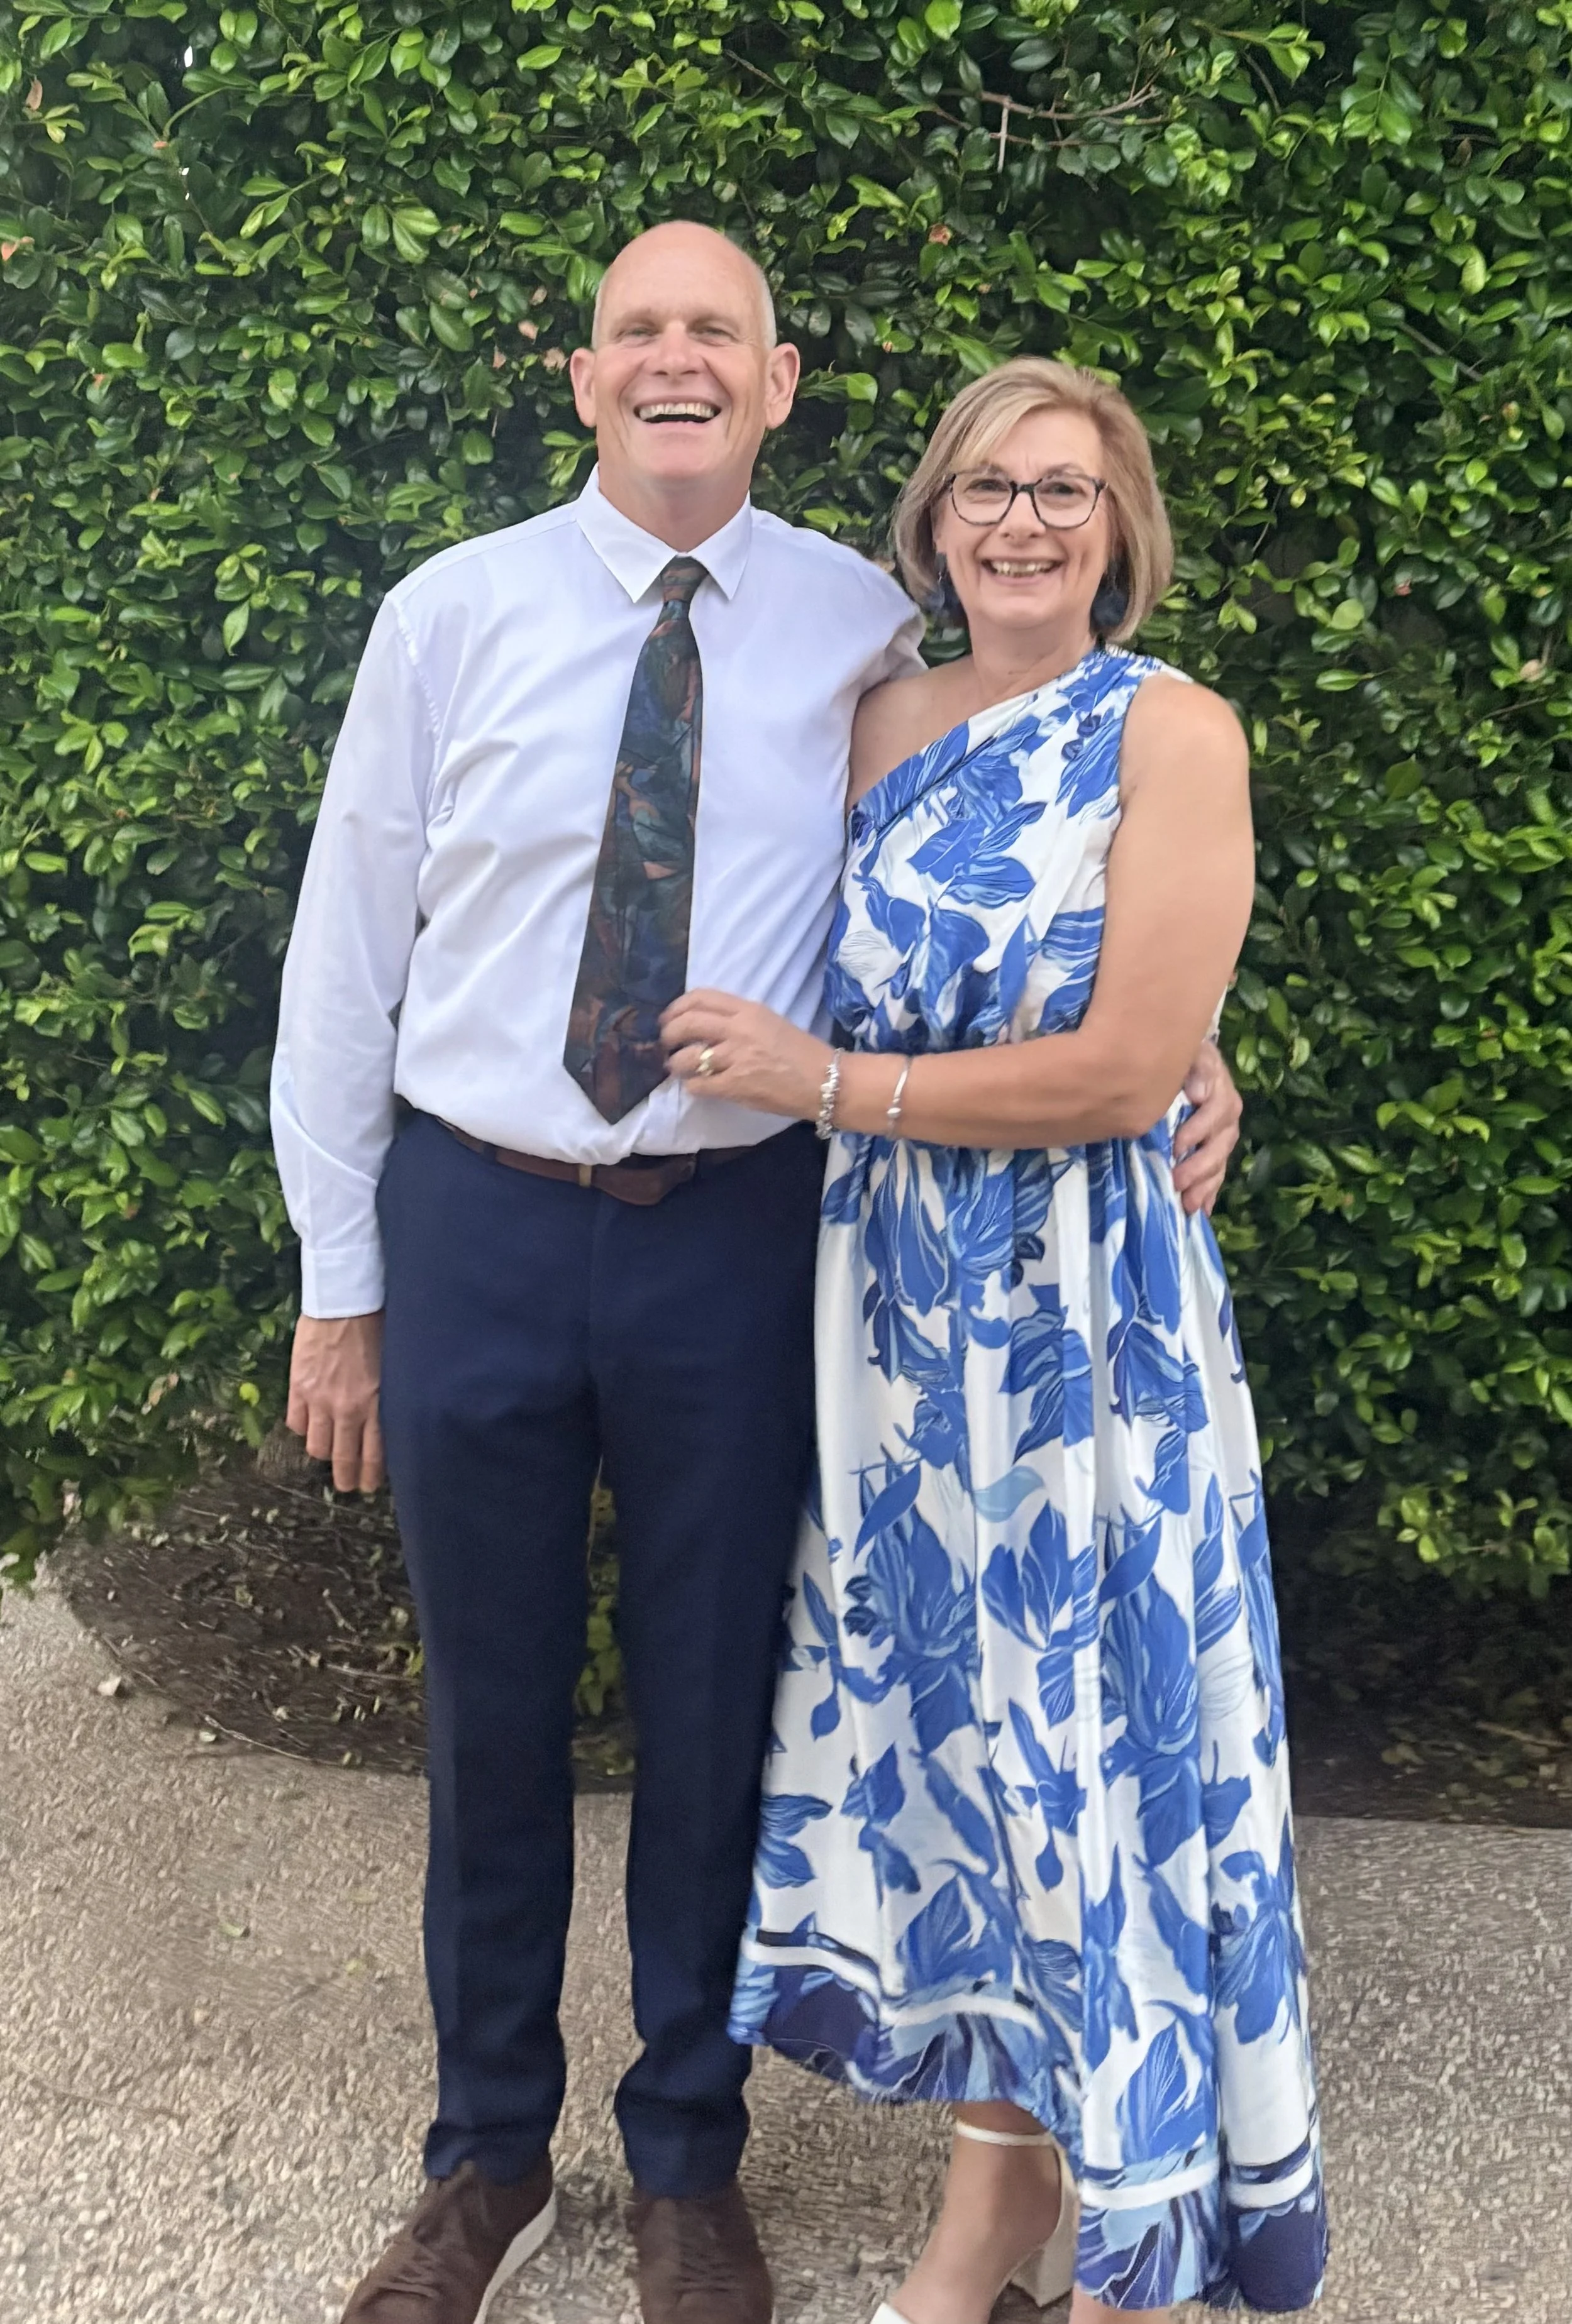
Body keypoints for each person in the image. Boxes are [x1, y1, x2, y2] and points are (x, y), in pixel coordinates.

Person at [271, 223, 1244, 2324]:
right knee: (491, 1710)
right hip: (482, 1216)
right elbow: (343, 966)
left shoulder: (860, 636)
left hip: (743, 1234)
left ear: (780, 382)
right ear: (584, 378)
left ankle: (687, 2155)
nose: (677, 362)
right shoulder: (448, 615)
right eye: (641, 333)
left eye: (715, 332)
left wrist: (1192, 1045)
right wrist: (337, 1287)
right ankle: (481, 2154)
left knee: (725, 1707)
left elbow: (1021, 842)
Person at [662, 356, 1327, 2323]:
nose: (1020, 522)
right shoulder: (876, 722)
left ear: (1118, 526)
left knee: (1093, 1754)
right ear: (931, 523)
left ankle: (1124, 2229)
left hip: (1079, 1329)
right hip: (891, 1336)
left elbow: (1127, 1065)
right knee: (960, 1758)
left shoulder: (1169, 731)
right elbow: (768, 925)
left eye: (1062, 489)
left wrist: (831, 1083)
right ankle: (993, 2205)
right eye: (983, 489)